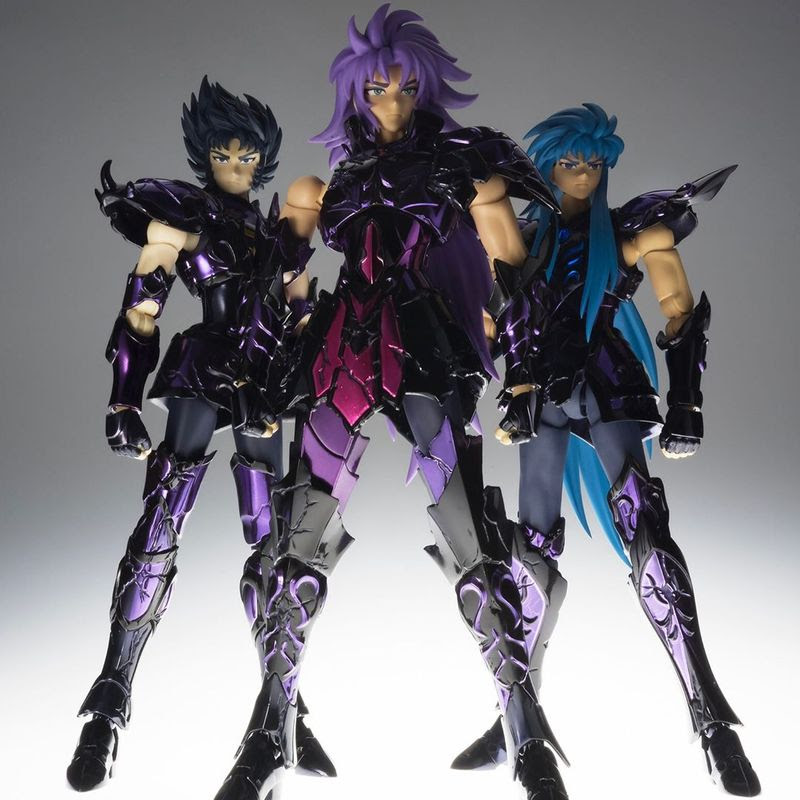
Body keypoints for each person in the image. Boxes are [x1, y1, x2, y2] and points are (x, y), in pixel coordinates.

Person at [210, 7, 566, 800]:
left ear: (425, 87)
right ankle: (270, 731)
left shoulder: (463, 167)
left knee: (472, 538)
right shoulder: (326, 184)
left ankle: (524, 727)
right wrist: (264, 369)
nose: (393, 102)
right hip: (342, 346)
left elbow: (511, 268)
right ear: (356, 92)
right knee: (296, 542)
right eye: (378, 89)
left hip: (425, 343)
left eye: (405, 88)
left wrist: (523, 374)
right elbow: (284, 284)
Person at [454, 103, 760, 797]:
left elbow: (679, 307)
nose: (584, 174)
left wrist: (686, 402)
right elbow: (489, 318)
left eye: (594, 163)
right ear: (546, 167)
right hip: (542, 396)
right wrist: (473, 384)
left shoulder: (625, 232)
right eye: (570, 162)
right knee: (530, 552)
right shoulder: (518, 235)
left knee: (646, 532)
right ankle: (518, 719)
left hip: (609, 383)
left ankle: (711, 717)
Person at [66, 78, 331, 792]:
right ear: (205, 156)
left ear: (263, 162)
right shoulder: (185, 216)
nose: (236, 166)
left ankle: (283, 706)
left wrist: (317, 377)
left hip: (265, 383)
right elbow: (143, 308)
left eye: (248, 157)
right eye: (224, 154)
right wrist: (123, 401)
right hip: (205, 365)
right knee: (162, 516)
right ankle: (109, 701)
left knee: (274, 541)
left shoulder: (279, 237)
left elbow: (303, 316)